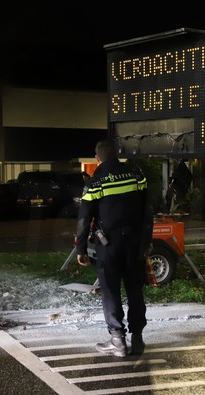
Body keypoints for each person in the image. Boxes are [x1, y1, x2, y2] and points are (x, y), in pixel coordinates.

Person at [76, 138, 153, 357]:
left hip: (108, 244)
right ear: (117, 154)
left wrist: (81, 249)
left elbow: (84, 218)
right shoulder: (137, 175)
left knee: (110, 291)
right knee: (135, 289)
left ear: (97, 158)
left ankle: (118, 341)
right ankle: (137, 339)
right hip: (135, 243)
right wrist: (146, 240)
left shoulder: (95, 182)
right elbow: (148, 212)